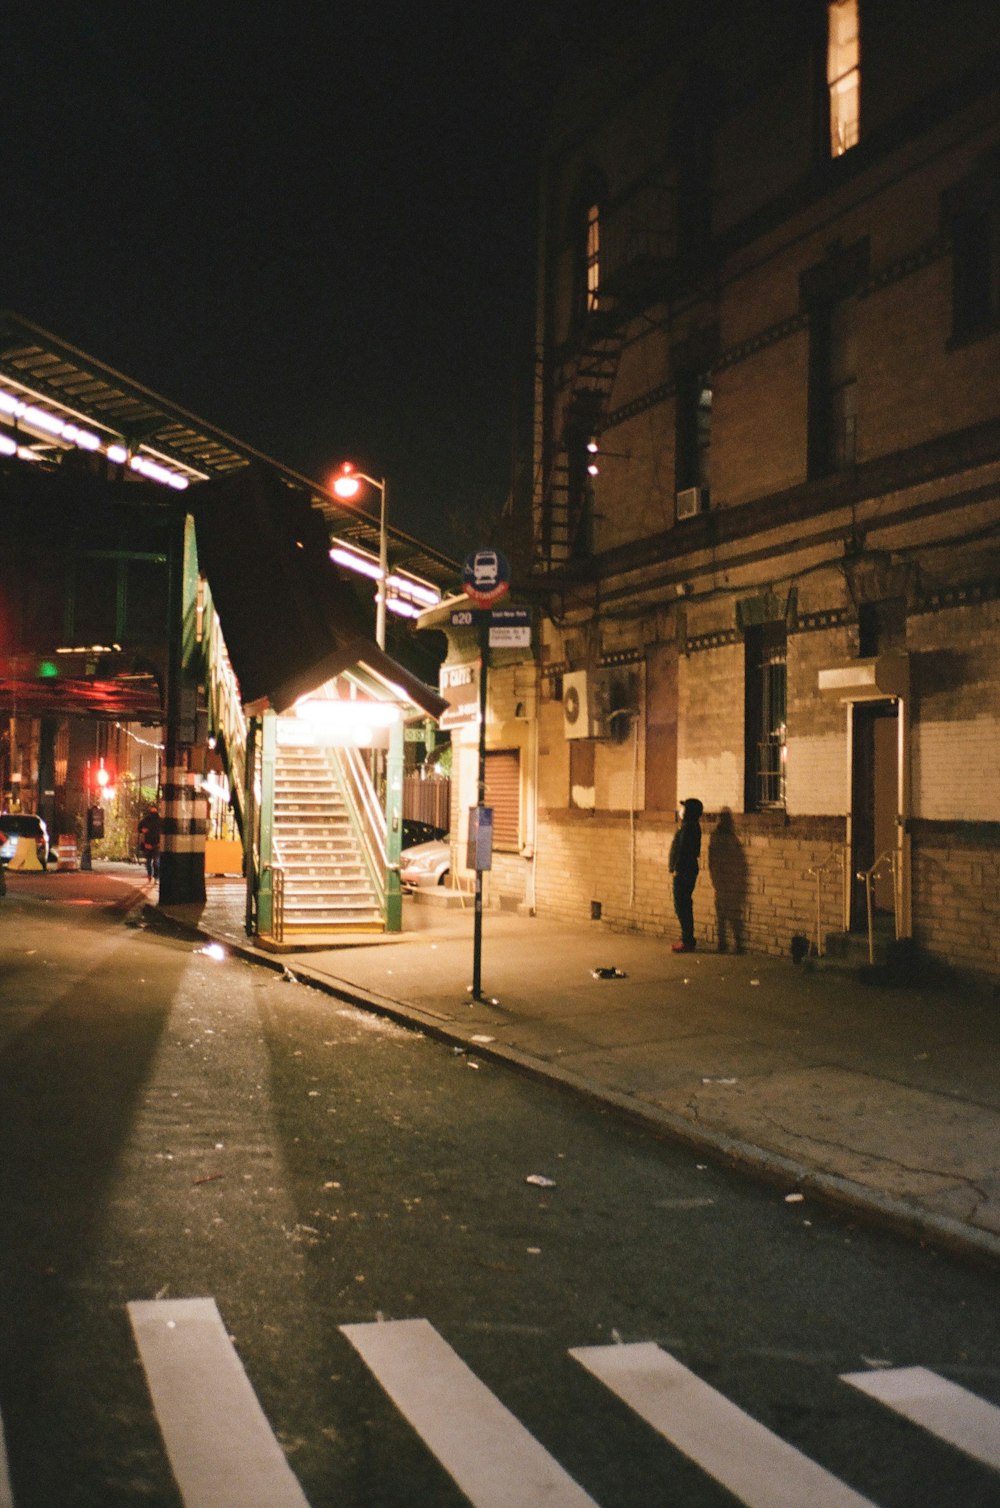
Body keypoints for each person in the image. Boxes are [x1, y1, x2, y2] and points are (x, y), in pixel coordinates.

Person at [668, 797, 703, 952]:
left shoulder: (689, 828)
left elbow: (683, 850)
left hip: (684, 870)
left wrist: (676, 868)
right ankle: (687, 938)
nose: (681, 810)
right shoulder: (688, 826)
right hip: (686, 869)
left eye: (684, 808)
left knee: (682, 905)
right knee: (682, 904)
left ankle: (687, 940)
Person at [138, 803, 161, 880]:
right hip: (148, 843)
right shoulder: (146, 820)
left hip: (157, 844)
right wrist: (142, 830)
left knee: (156, 862)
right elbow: (139, 828)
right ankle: (149, 874)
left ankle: (156, 876)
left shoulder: (160, 820)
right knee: (148, 862)